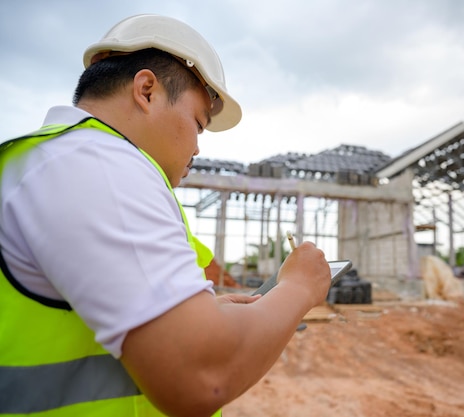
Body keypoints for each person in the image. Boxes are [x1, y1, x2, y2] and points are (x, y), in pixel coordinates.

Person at [0, 14, 331, 417]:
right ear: (146, 90)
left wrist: (203, 314)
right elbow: (201, 375)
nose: (196, 148)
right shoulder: (100, 165)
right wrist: (299, 287)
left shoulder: (61, 161)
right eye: (197, 123)